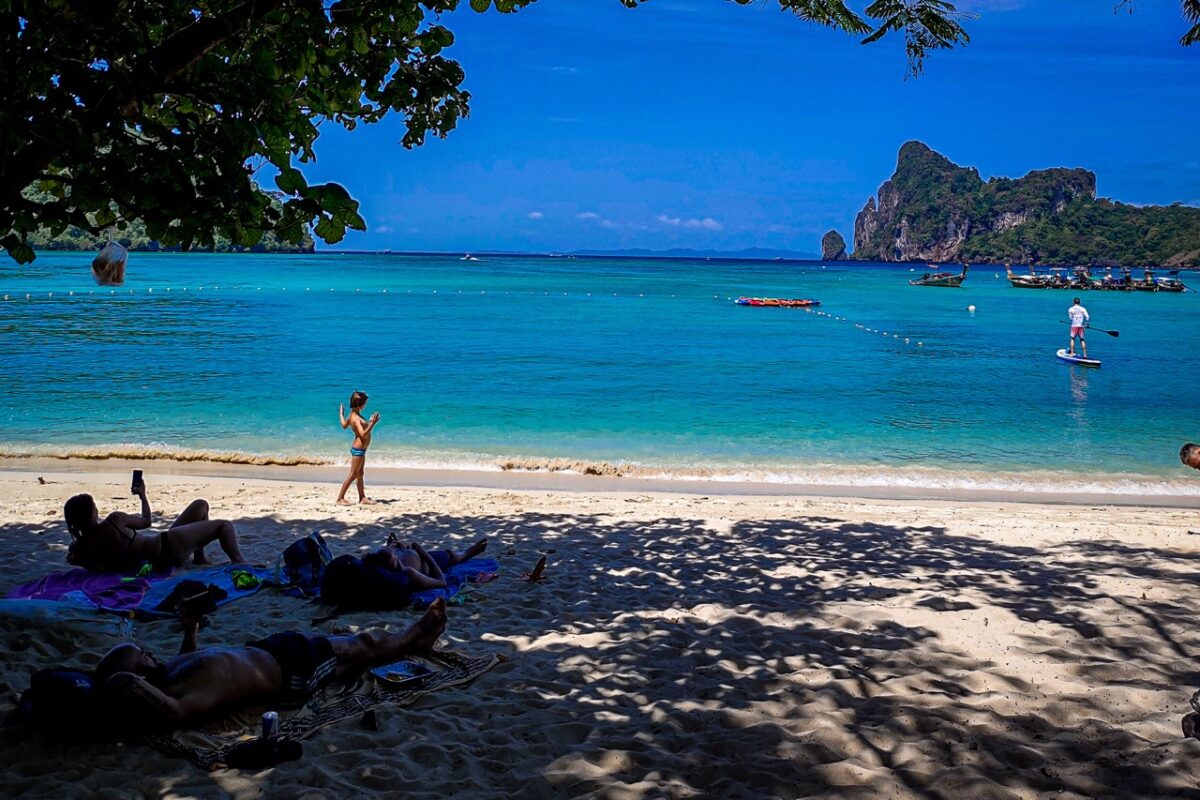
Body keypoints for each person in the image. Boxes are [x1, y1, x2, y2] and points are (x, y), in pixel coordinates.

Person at [91, 599, 447, 728]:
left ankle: (414, 638)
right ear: (135, 676)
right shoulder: (177, 695)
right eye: (141, 655)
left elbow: (185, 657)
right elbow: (177, 713)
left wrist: (191, 628)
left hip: (272, 650)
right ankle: (419, 634)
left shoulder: (169, 670)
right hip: (291, 671)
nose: (148, 652)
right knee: (363, 648)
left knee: (352, 652)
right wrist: (126, 683)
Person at [64, 478, 246, 573]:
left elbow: (99, 568)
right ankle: (239, 562)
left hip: (156, 561)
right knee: (224, 526)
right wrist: (143, 495)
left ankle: (200, 556)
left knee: (200, 505)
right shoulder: (114, 521)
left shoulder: (79, 550)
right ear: (92, 513)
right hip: (169, 547)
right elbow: (146, 521)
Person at [321, 538, 487, 610]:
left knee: (446, 554)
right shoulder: (407, 573)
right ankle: (466, 554)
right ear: (393, 564)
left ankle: (462, 554)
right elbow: (441, 582)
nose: (394, 551)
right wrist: (423, 553)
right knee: (451, 556)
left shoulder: (373, 566)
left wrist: (396, 545)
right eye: (393, 554)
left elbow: (385, 556)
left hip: (415, 556)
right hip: (426, 563)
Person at [337, 390, 380, 506]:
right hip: (358, 450)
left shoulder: (353, 415)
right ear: (360, 405)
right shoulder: (355, 418)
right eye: (365, 403)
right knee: (353, 474)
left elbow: (344, 425)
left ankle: (362, 497)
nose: (365, 405)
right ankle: (340, 498)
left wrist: (341, 414)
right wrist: (372, 423)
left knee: (360, 473)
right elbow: (362, 435)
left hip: (362, 449)